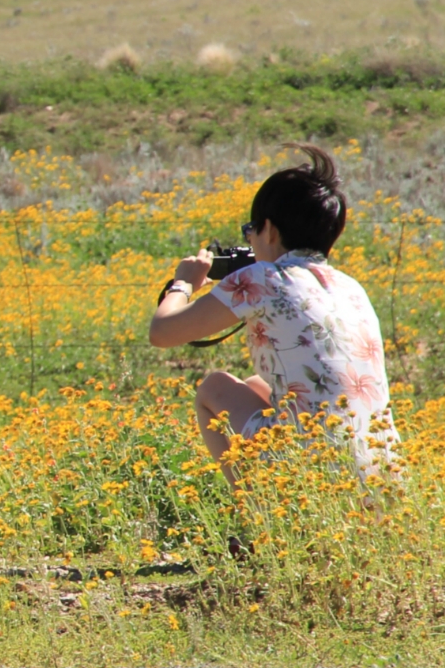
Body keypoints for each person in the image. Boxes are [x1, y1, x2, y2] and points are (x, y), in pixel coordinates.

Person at [148, 143, 400, 483]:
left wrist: (184, 283)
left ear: (269, 230)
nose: (250, 240)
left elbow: (162, 333)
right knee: (255, 386)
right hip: (383, 473)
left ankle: (255, 519)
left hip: (315, 468)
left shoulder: (262, 278)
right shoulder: (351, 286)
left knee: (214, 388)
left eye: (249, 231)